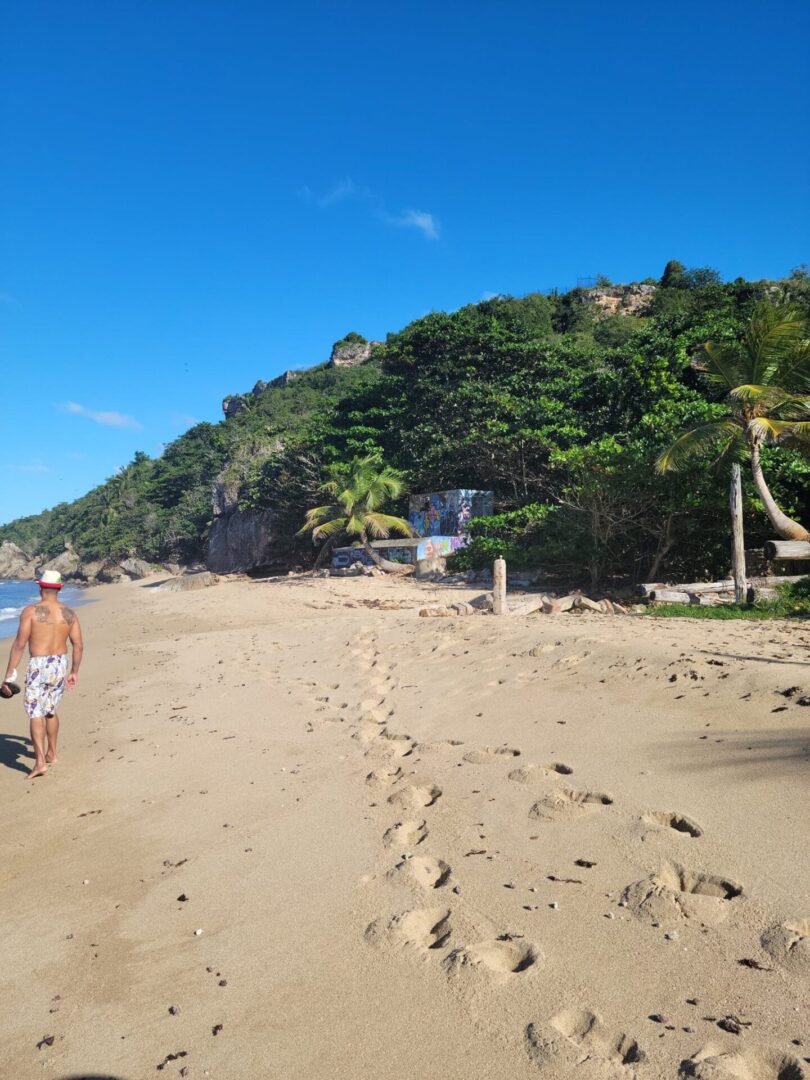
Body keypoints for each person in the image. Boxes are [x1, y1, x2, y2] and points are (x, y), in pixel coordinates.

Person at [2, 570, 83, 779]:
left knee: (35, 712)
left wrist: (9, 674)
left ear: (40, 587)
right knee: (50, 710)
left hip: (39, 664)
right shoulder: (69, 613)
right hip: (60, 663)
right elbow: (78, 645)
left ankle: (39, 763)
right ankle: (52, 753)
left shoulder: (30, 611)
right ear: (59, 588)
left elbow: (19, 645)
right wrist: (74, 671)